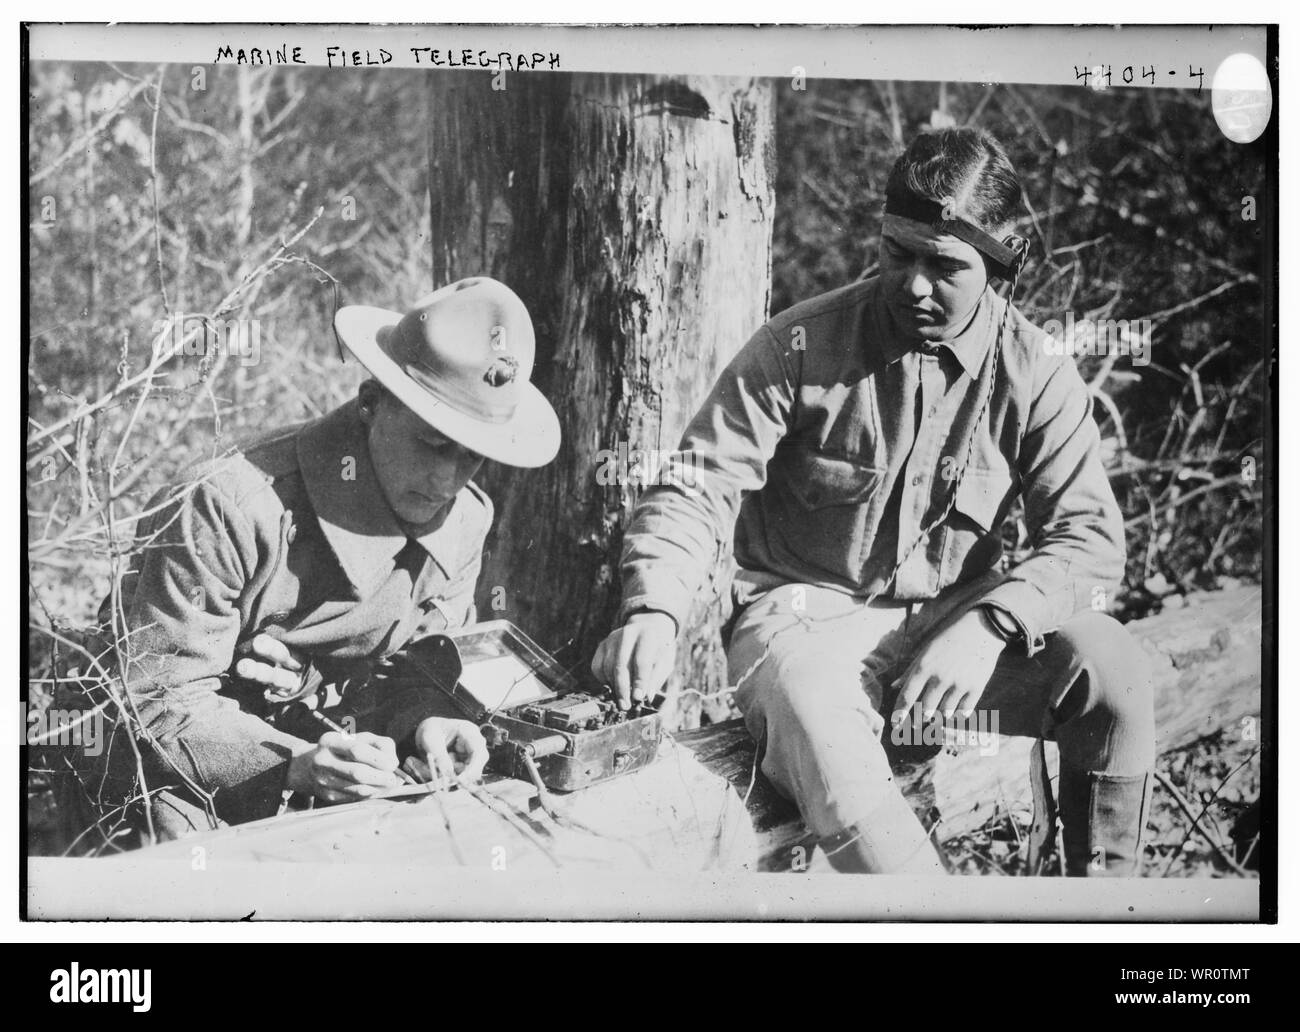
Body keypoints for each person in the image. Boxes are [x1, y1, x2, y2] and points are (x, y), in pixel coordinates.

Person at [592, 128, 1155, 875]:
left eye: (945, 266)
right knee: (812, 701)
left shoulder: (1035, 374)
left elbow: (1089, 539)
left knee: (1110, 668)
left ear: (999, 268)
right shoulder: (799, 346)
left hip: (955, 630)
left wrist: (991, 622)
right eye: (899, 253)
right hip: (804, 623)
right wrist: (654, 607)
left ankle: (1105, 915)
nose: (914, 285)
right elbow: (699, 483)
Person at [64, 277, 560, 845]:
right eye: (432, 444)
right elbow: (153, 698)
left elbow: (419, 665)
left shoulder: (466, 518)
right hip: (174, 759)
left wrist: (431, 721)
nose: (447, 481)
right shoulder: (232, 504)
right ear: (371, 403)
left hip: (336, 741)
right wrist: (294, 764)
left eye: (472, 457)